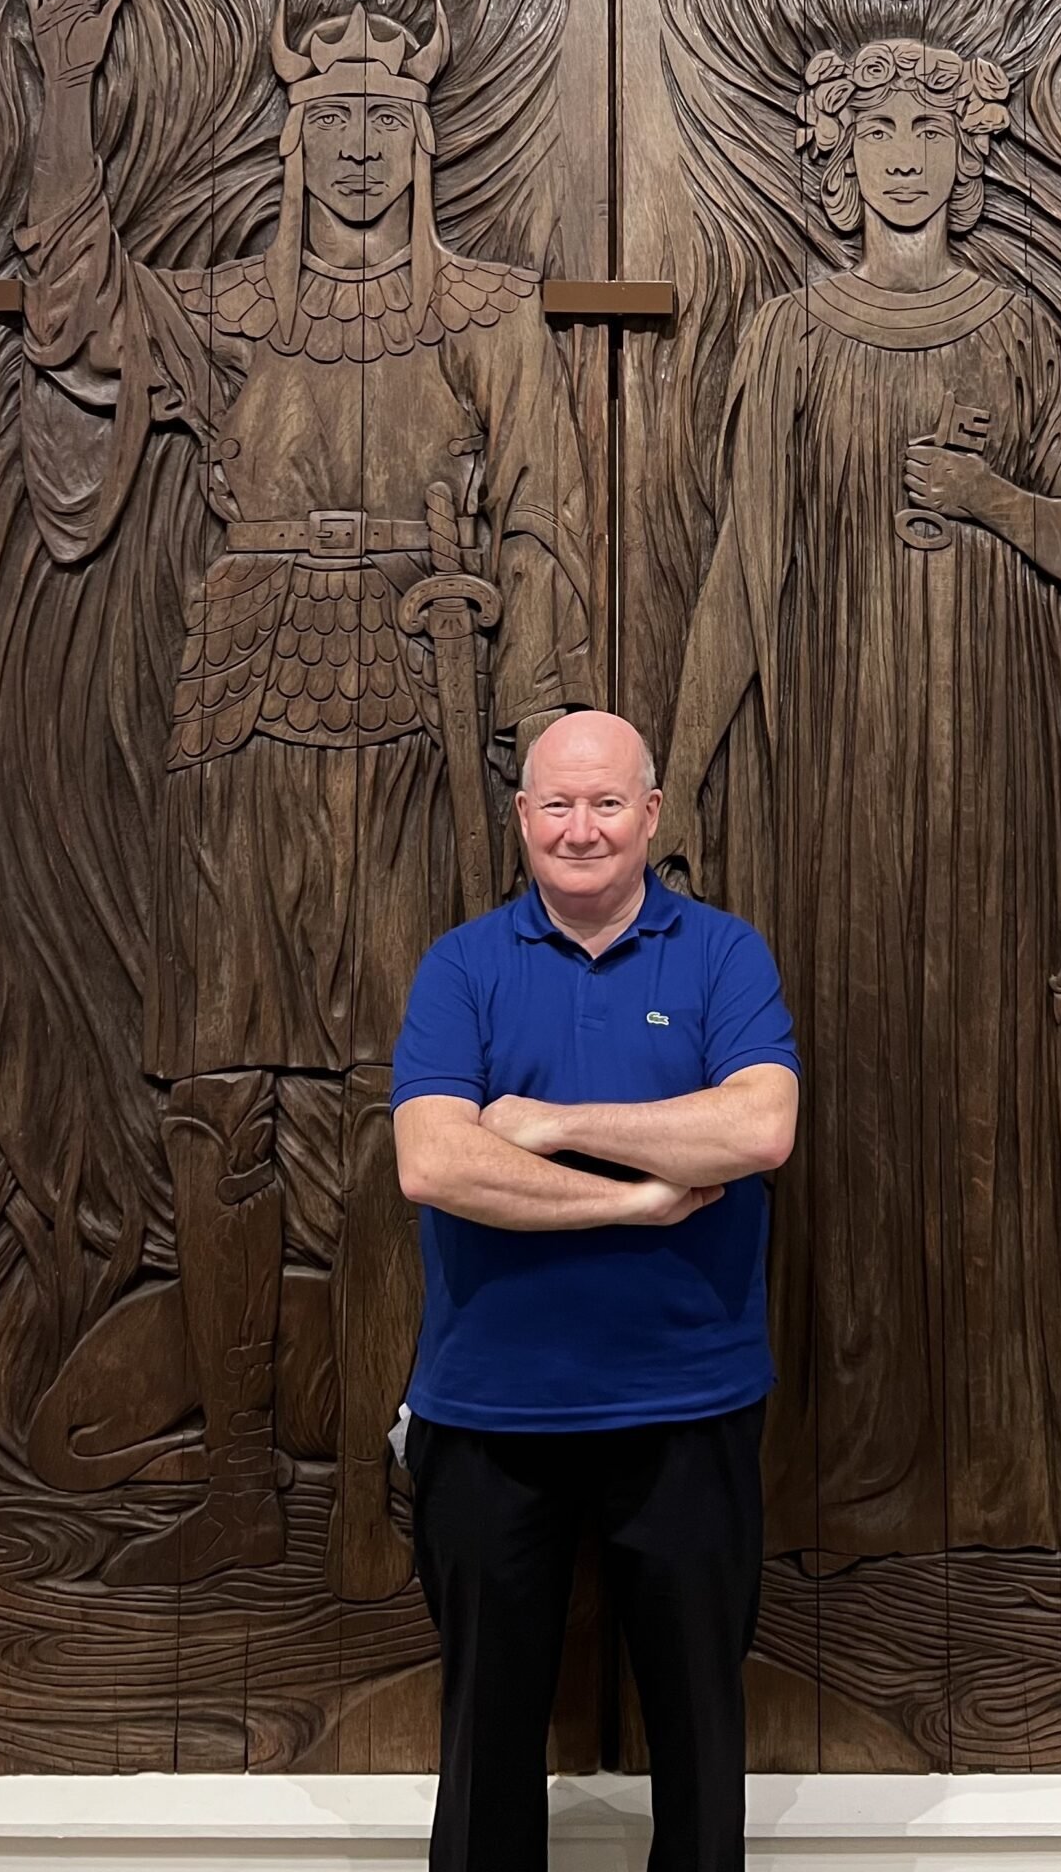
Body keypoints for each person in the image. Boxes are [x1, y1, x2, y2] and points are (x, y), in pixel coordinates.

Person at [16, 0, 593, 1596]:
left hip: (407, 726)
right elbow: (70, 308)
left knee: (371, 1105)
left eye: (382, 120)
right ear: (293, 135)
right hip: (236, 715)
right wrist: (65, 90)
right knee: (215, 1105)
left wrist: (527, 755)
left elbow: (548, 538)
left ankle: (362, 1501)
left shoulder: (488, 313)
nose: (354, 142)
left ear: (419, 139)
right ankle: (242, 1494)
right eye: (329, 114)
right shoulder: (235, 311)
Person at [656, 36, 1061, 1564]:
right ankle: (849, 1464)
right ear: (838, 159)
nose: (906, 159)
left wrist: (993, 499)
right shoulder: (792, 340)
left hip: (989, 770)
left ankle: (1000, 1460)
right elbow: (739, 571)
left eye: (930, 131)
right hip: (839, 776)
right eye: (877, 135)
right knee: (846, 1089)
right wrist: (680, 776)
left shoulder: (1019, 337)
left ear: (962, 154)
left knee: (987, 1084)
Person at [391, 710, 799, 1872]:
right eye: (557, 805)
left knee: (700, 1735)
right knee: (483, 1751)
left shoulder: (724, 954)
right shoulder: (462, 965)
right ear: (522, 819)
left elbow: (759, 1126)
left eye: (607, 803)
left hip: (689, 1405)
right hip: (486, 1415)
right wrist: (636, 1197)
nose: (581, 829)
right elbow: (434, 1161)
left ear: (651, 815)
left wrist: (555, 1124)